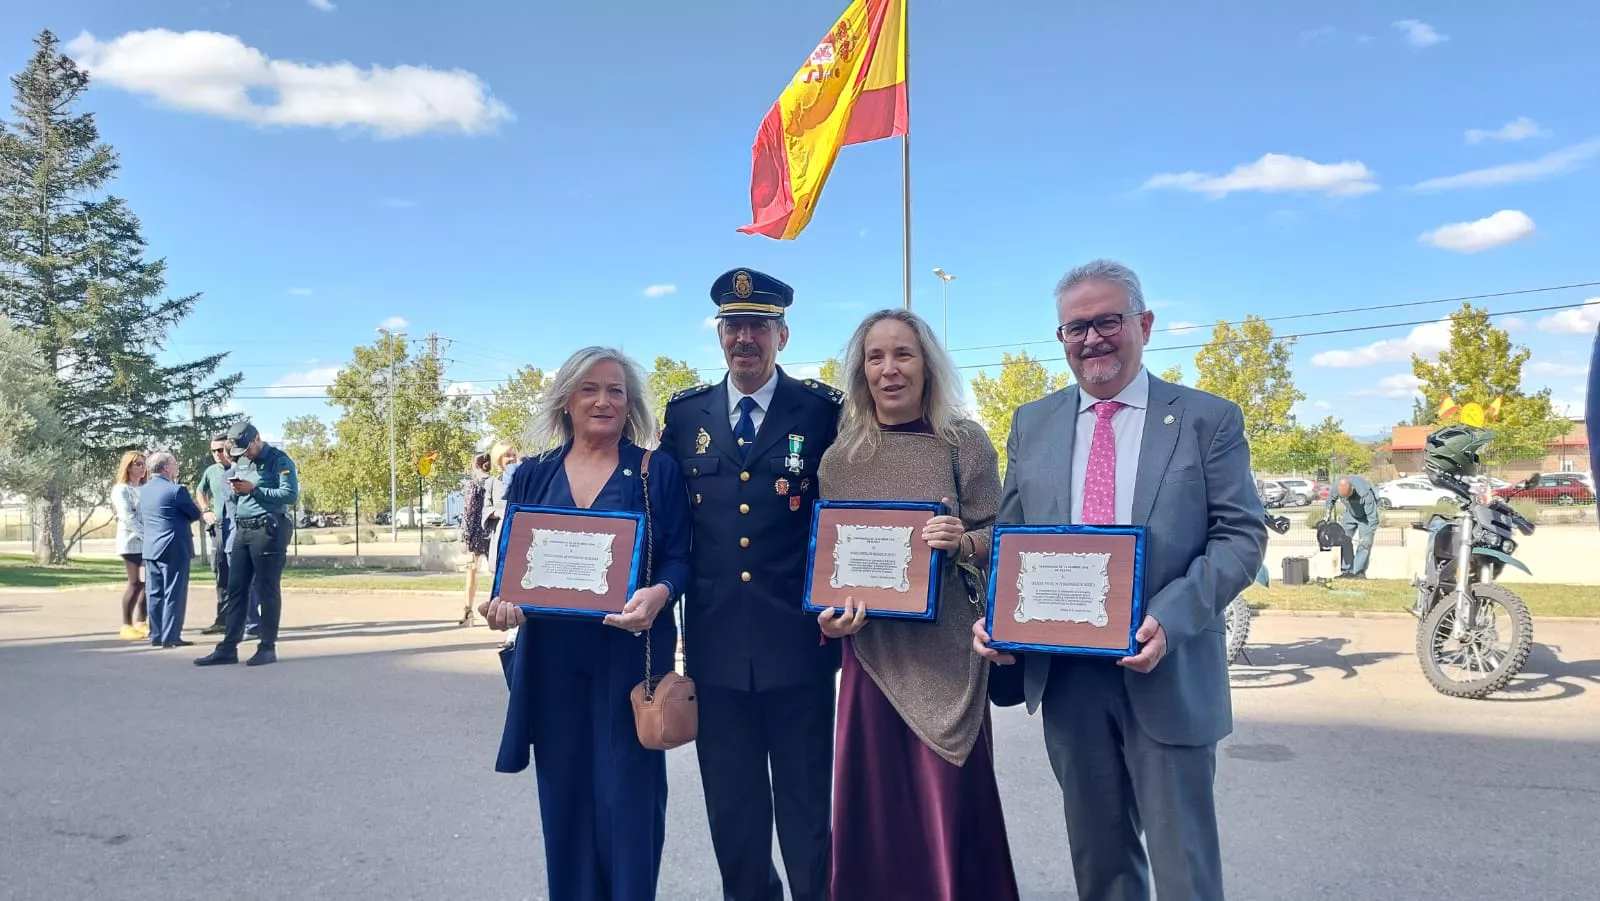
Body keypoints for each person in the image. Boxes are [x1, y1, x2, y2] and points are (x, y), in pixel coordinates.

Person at [973, 259, 1267, 901]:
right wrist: (997, 616)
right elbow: (1012, 539)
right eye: (1074, 328)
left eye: (1107, 321)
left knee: (1184, 865)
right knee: (1100, 863)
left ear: (1144, 324)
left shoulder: (1206, 419)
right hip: (1069, 678)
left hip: (1167, 669)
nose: (1091, 339)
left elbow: (1241, 536)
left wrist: (1171, 615)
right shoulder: (1033, 422)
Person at [814, 309, 1020, 901]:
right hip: (872, 658)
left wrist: (966, 540)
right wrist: (828, 617)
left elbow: (1001, 533)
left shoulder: (964, 443)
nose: (889, 369)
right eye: (875, 358)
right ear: (861, 371)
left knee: (949, 807)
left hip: (951, 659)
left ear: (927, 363)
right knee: (875, 809)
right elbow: (829, 563)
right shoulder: (840, 458)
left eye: (902, 354)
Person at [479, 347, 691, 901]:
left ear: (630, 404)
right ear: (566, 401)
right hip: (552, 666)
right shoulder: (532, 474)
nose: (603, 400)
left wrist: (660, 594)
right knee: (565, 803)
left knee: (629, 808)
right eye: (589, 389)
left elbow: (680, 556)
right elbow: (512, 567)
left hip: (628, 662)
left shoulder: (654, 470)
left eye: (616, 391)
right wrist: (503, 604)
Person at [657, 268, 842, 901]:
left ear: (781, 335)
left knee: (808, 812)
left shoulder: (822, 413)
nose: (745, 338)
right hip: (716, 652)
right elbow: (667, 527)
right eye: (733, 325)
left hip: (801, 648)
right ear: (719, 334)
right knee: (733, 817)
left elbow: (846, 516)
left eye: (758, 326)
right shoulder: (685, 418)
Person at [195, 420, 298, 668]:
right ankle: (228, 648)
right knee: (236, 588)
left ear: (256, 439)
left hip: (268, 528)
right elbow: (235, 493)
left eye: (247, 449)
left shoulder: (278, 460)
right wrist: (235, 489)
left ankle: (267, 646)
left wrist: (254, 490)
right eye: (240, 452)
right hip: (243, 528)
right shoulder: (241, 461)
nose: (245, 455)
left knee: (266, 589)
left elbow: (290, 495)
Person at [196, 434, 260, 638]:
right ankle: (223, 620)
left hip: (241, 526)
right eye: (213, 450)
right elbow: (200, 491)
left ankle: (252, 623)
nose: (217, 454)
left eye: (220, 449)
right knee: (222, 574)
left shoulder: (244, 468)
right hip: (220, 527)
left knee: (244, 576)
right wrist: (205, 510)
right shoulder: (211, 472)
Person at [139, 452, 203, 649]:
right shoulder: (177, 490)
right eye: (175, 465)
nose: (177, 468)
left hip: (151, 547)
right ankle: (171, 635)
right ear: (166, 467)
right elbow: (194, 513)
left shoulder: (144, 490)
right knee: (174, 592)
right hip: (174, 546)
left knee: (154, 592)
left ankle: (156, 634)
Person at [111, 451, 150, 640]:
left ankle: (142, 620)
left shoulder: (146, 488)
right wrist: (145, 535)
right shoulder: (121, 489)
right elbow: (127, 517)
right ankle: (126, 624)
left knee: (151, 583)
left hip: (149, 542)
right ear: (128, 467)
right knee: (135, 583)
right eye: (138, 464)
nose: (142, 468)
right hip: (131, 542)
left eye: (144, 464)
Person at [458, 451, 493, 626]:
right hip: (492, 530)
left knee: (471, 571)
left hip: (476, 533)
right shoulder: (496, 483)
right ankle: (494, 607)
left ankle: (468, 610)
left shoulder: (474, 485)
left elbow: (470, 513)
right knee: (496, 572)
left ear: (476, 466)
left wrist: (466, 536)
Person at [1326, 475, 1378, 578]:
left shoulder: (1364, 492)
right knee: (1344, 540)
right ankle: (1346, 571)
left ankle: (1356, 572)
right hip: (1350, 514)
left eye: (1348, 496)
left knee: (1365, 543)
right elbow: (1330, 501)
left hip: (1365, 517)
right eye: (1343, 497)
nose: (1346, 499)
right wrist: (1327, 515)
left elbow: (1372, 516)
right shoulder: (1336, 487)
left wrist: (1369, 533)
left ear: (1352, 489)